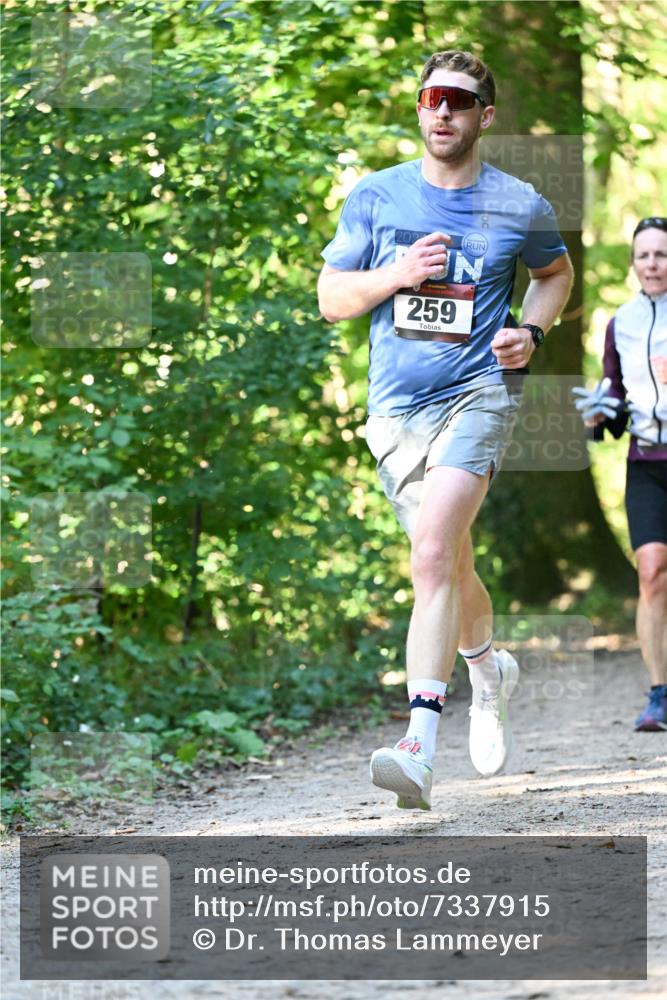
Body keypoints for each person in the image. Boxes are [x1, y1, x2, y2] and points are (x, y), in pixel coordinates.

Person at [318, 50, 573, 810]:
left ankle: (417, 746)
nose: (442, 112)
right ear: (418, 109)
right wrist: (394, 276)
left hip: (480, 393)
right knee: (450, 565)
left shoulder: (517, 202)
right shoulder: (377, 197)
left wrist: (529, 332)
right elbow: (333, 297)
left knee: (430, 553)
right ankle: (487, 668)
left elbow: (553, 274)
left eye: (458, 103)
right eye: (431, 99)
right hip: (396, 411)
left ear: (483, 116)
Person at [572, 216, 667, 732]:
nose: (653, 264)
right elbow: (614, 390)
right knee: (651, 573)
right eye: (644, 255)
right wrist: (599, 413)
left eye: (662, 254)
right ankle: (660, 694)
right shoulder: (622, 322)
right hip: (647, 464)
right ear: (633, 264)